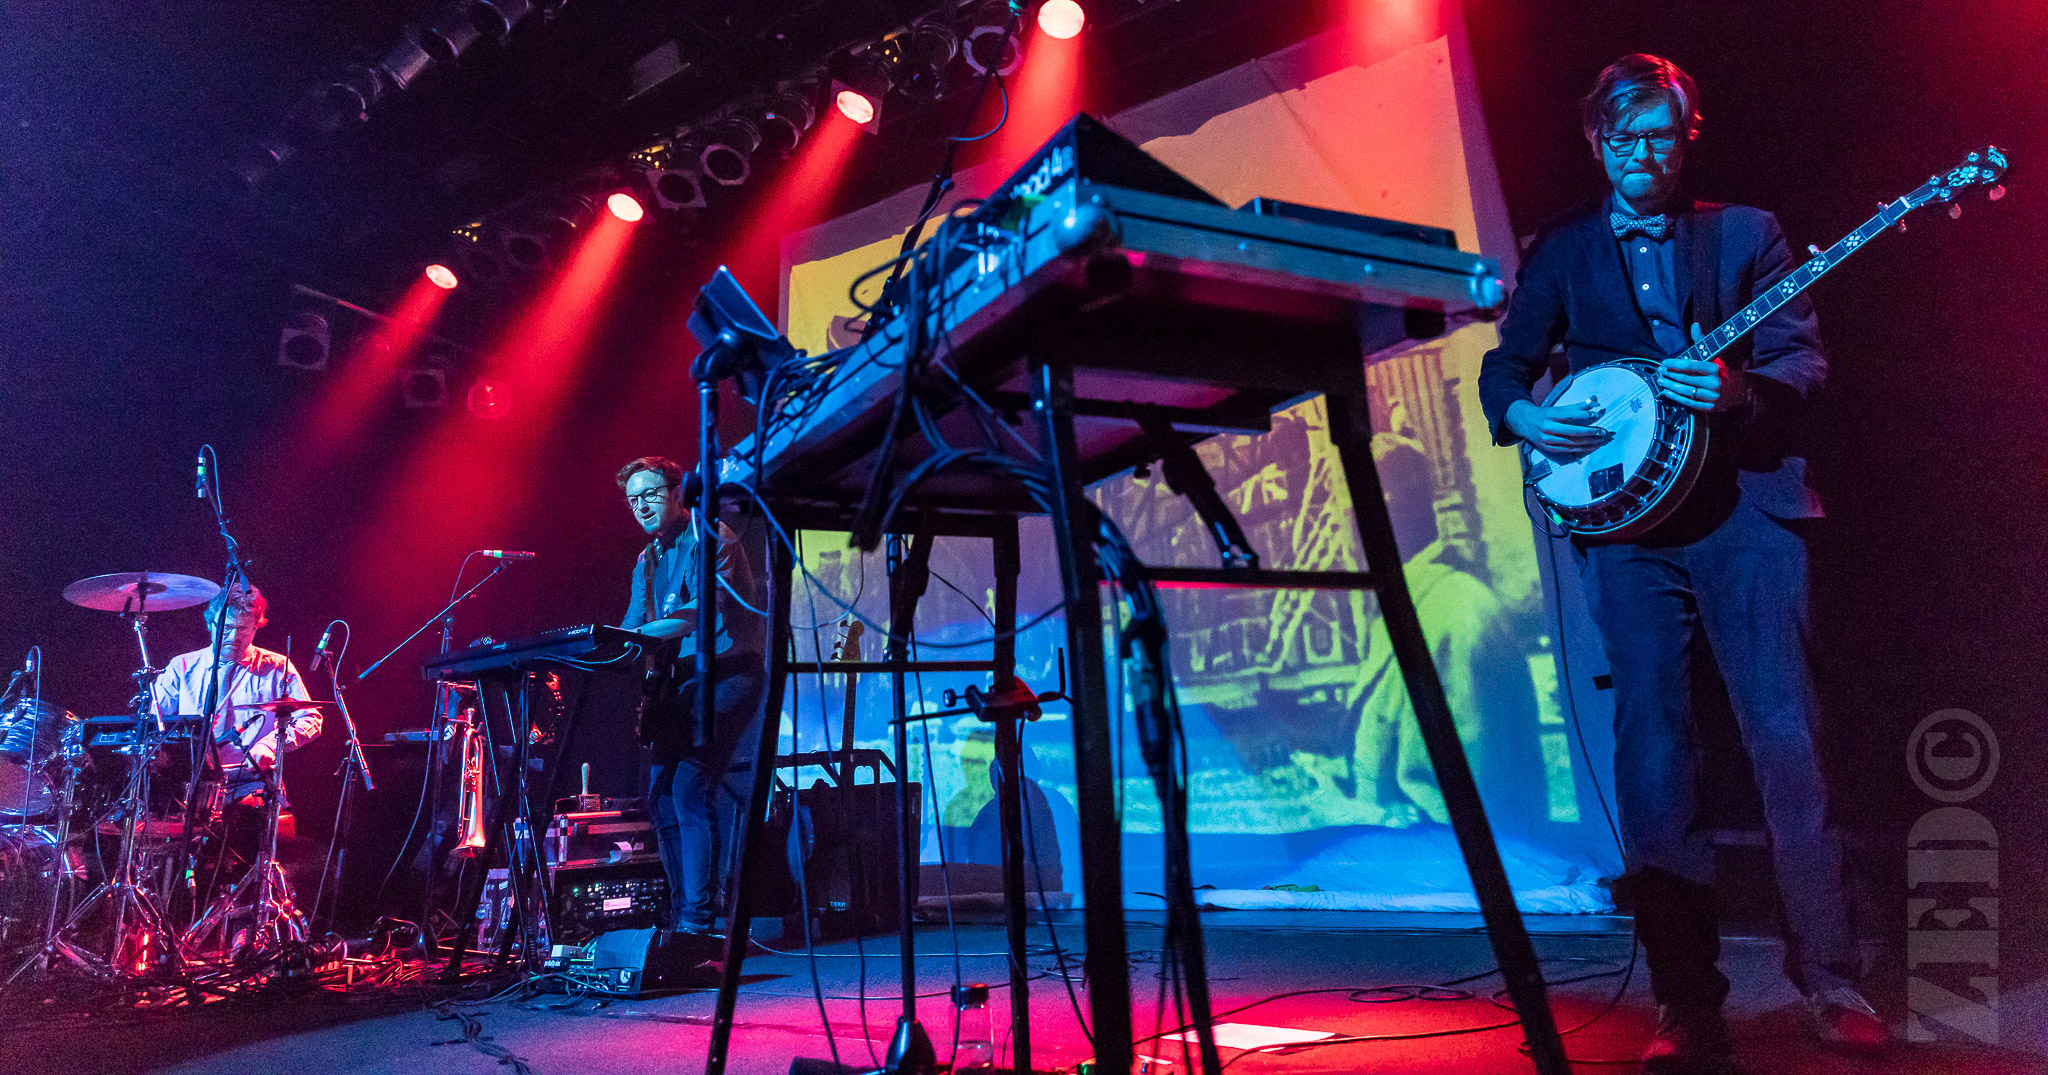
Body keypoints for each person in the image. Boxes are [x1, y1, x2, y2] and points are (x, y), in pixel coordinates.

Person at [1476, 55, 1888, 1070]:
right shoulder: (1564, 250)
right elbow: (1507, 363)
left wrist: (1739, 390)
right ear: (1595, 143)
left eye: (1659, 136)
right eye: (1622, 138)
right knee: (1654, 751)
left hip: (1746, 507)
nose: (1641, 155)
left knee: (1787, 738)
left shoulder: (1746, 232)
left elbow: (1801, 361)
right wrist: (1524, 414)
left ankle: (1833, 979)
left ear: (1686, 136)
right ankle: (1684, 1000)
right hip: (1627, 528)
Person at [617, 455, 764, 938]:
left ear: (678, 493)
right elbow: (633, 626)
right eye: (633, 500)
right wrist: (591, 647)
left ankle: (699, 922)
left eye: (650, 495)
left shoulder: (712, 537)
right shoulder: (647, 559)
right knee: (660, 795)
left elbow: (698, 614)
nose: (641, 506)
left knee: (688, 788)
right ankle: (684, 917)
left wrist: (631, 638)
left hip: (729, 674)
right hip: (683, 681)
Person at [149, 582, 321, 887]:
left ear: (257, 626)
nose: (234, 637)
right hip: (189, 789)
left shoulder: (277, 667)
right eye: (226, 628)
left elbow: (310, 717)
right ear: (210, 623)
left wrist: (271, 744)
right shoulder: (182, 667)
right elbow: (155, 726)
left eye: (244, 629)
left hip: (248, 784)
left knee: (244, 839)